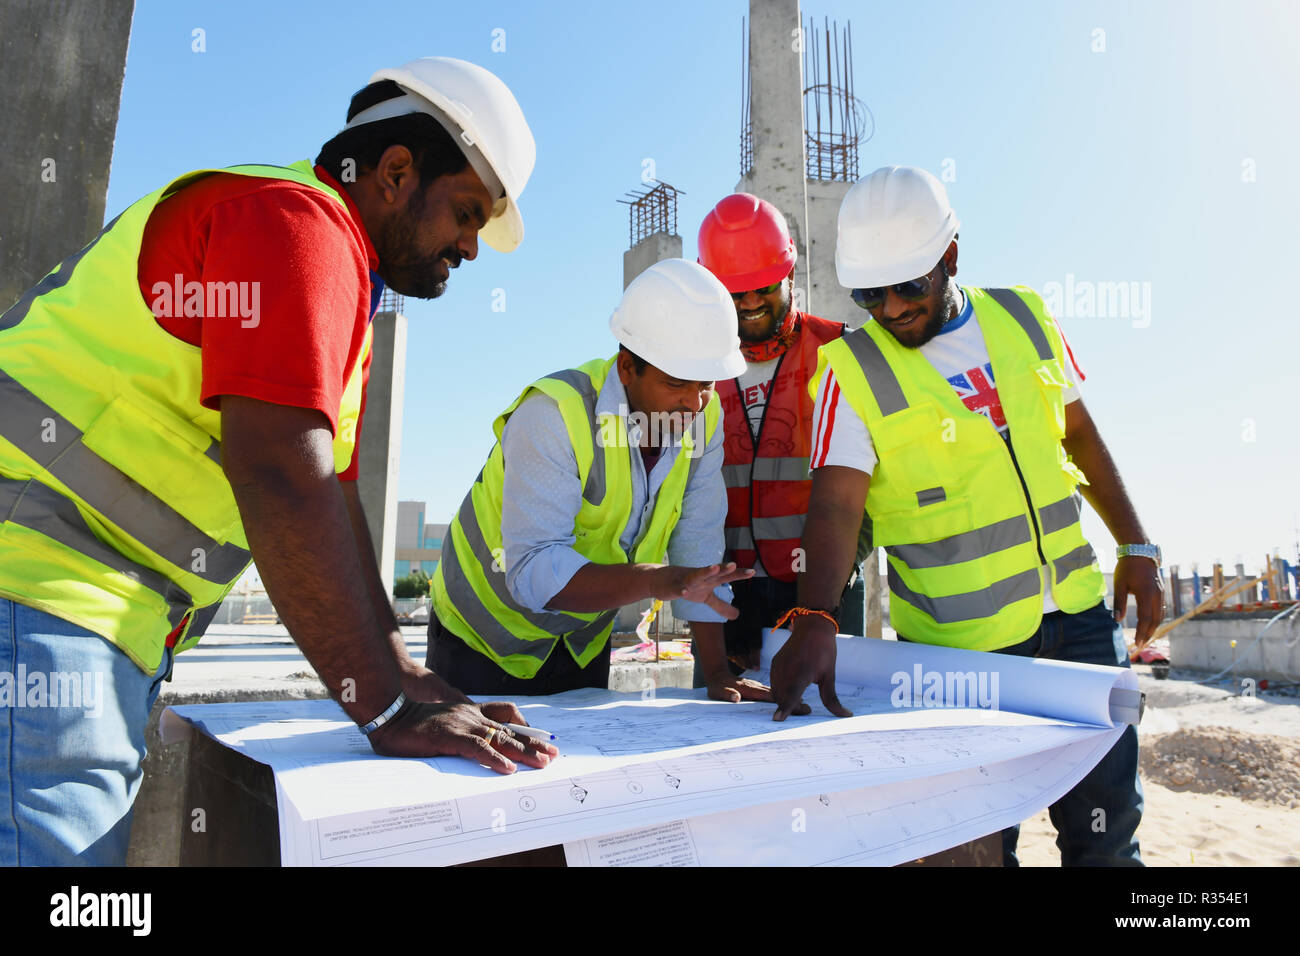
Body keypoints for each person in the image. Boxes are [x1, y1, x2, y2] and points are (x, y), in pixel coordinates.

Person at [0, 57, 555, 867]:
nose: (469, 247)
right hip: (39, 597)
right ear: (396, 171)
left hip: (77, 615)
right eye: (466, 213)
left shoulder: (326, 271)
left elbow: (327, 494)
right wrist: (380, 704)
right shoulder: (294, 224)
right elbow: (280, 474)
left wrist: (399, 670)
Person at [771, 165, 1163, 866]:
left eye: (908, 286)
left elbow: (1079, 434)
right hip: (962, 658)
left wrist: (1137, 545)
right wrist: (816, 616)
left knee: (1106, 841)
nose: (888, 309)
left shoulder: (1025, 316)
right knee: (972, 853)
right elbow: (835, 501)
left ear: (950, 257)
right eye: (869, 294)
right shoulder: (849, 369)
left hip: (1080, 627)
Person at [426, 258, 773, 706]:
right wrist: (655, 579)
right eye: (676, 384)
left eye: (706, 384)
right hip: (481, 637)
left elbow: (698, 553)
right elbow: (534, 572)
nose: (693, 403)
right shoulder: (554, 414)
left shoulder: (704, 419)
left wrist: (718, 673)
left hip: (580, 639)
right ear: (627, 367)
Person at [694, 193, 857, 677]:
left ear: (789, 273)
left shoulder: (840, 350)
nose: (748, 303)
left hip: (824, 587)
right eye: (732, 292)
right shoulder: (695, 366)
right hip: (726, 590)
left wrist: (826, 596)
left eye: (761, 287)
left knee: (828, 725)